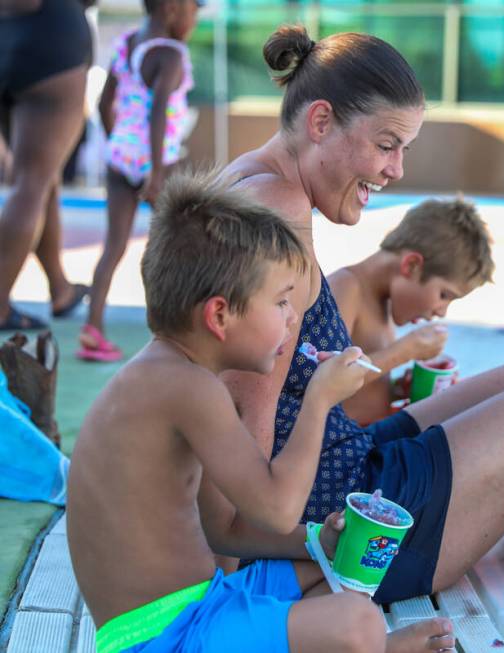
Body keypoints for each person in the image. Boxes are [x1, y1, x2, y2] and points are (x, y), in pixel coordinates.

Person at [220, 25, 504, 607]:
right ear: (320, 122)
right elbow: (243, 435)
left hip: (341, 464)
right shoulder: (278, 210)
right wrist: (251, 574)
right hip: (353, 522)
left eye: (404, 149)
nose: (396, 171)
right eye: (386, 144)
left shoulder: (249, 179)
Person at [66, 170, 453, 653]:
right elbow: (275, 509)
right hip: (159, 638)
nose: (294, 319)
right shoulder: (186, 389)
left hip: (201, 606)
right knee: (359, 623)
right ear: (219, 316)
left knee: (331, 568)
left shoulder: (174, 377)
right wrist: (318, 399)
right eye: (281, 302)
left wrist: (316, 540)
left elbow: (223, 528)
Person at [77, 0, 199, 361]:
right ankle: (175, 335)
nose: (193, 16)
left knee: (113, 246)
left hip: (121, 156)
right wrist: (157, 171)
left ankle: (93, 327)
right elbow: (159, 111)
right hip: (156, 161)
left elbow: (103, 103)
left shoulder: (127, 43)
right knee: (173, 244)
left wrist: (120, 144)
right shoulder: (172, 54)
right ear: (172, 7)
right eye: (192, 7)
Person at [328, 196, 494, 425]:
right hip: (344, 450)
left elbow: (359, 388)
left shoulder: (385, 305)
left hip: (372, 438)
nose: (442, 312)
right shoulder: (346, 287)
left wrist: (398, 389)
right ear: (411, 266)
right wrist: (403, 352)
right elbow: (324, 378)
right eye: (444, 295)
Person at [0, 0, 93, 331]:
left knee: (42, 174)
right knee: (31, 181)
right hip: (52, 44)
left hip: (9, 38)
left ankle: (60, 289)